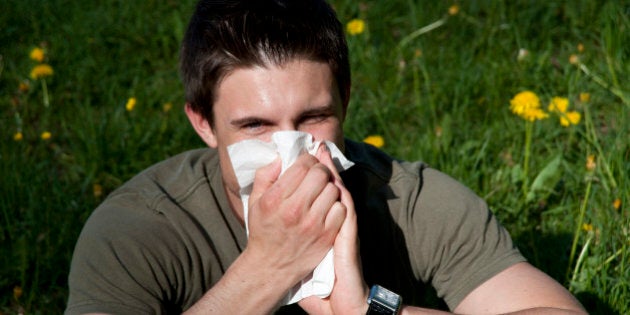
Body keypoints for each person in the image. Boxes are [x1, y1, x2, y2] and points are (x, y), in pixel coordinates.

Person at [65, 0, 587, 314]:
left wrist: (366, 310)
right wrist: (268, 267)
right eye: (255, 126)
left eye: (314, 118)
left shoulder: (408, 201)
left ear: (346, 103)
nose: (291, 148)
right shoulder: (141, 227)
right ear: (203, 122)